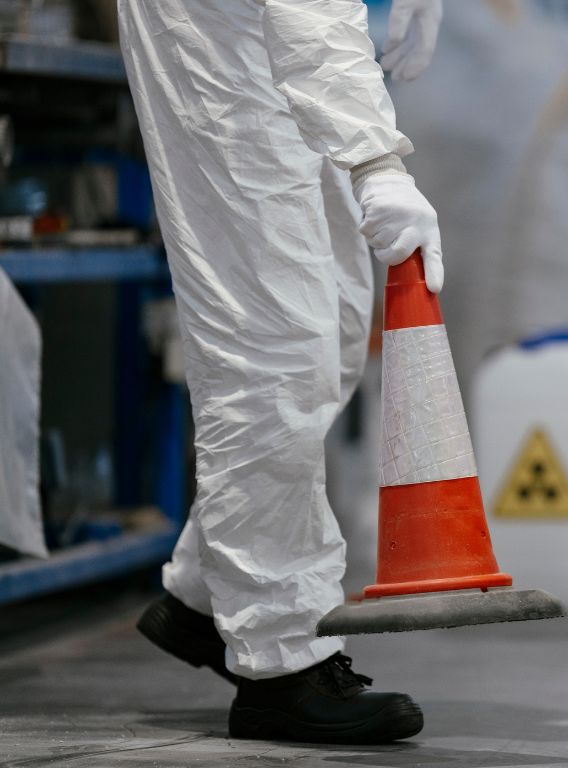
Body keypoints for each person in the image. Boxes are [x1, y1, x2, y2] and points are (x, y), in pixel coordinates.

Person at [118, 0, 444, 744]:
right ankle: (281, 662)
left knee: (332, 328)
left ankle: (206, 599)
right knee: (272, 344)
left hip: (261, 23)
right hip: (213, 27)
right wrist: (377, 163)